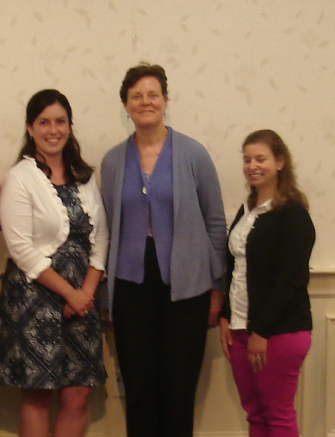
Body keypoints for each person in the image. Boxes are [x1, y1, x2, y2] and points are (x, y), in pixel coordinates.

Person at [100, 62, 227, 437]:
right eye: (136, 96)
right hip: (130, 290)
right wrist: (106, 299)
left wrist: (216, 287)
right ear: (126, 105)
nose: (145, 102)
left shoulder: (193, 154)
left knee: (178, 391)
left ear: (165, 100)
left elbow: (215, 223)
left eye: (152, 94)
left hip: (187, 291)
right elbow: (105, 229)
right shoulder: (112, 161)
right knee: (138, 390)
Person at [0, 89, 109, 437]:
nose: (53, 129)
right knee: (39, 395)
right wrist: (69, 294)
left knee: (78, 393)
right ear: (30, 128)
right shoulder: (20, 178)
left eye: (60, 121)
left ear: (70, 127)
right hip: (34, 299)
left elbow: (100, 237)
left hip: (83, 302)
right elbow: (21, 250)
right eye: (44, 122)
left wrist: (85, 293)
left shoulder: (85, 177)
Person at [219, 129, 314, 437]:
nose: (252, 166)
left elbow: (291, 280)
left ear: (281, 162)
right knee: (255, 414)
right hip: (240, 328)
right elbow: (233, 268)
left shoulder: (293, 214)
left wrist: (261, 330)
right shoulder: (246, 211)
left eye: (261, 159)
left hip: (278, 332)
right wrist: (225, 316)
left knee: (278, 415)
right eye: (247, 160)